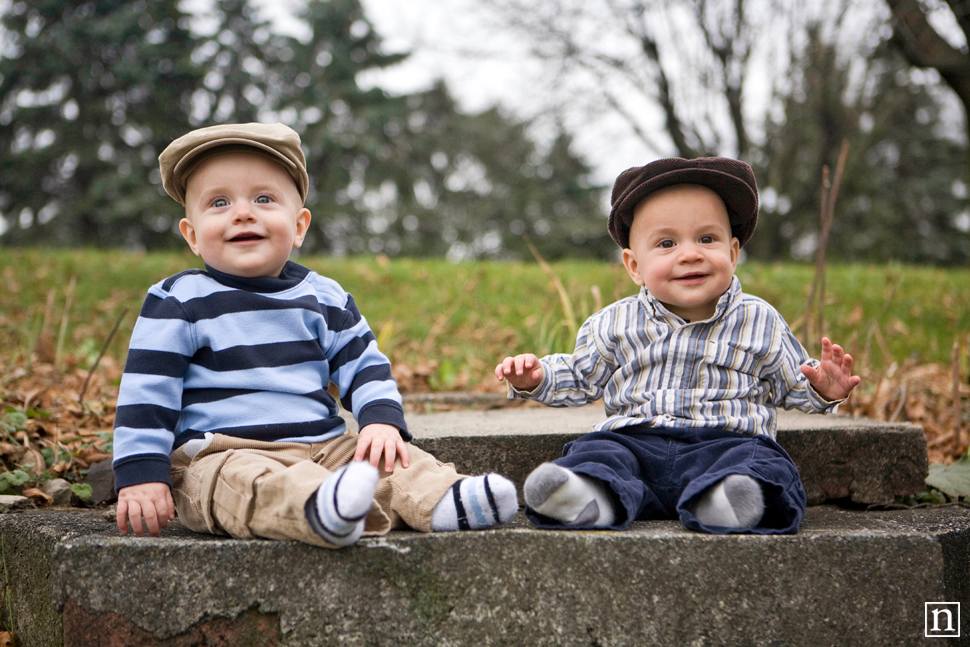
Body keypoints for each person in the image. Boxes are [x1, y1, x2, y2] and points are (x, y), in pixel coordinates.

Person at [113, 122, 517, 547]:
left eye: (264, 198)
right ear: (192, 236)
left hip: (324, 447)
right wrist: (141, 473)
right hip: (223, 452)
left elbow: (364, 365)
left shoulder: (324, 297)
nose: (243, 212)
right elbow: (147, 394)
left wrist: (380, 422)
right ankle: (318, 508)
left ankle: (445, 500)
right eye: (219, 202)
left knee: (389, 458)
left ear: (300, 225)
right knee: (238, 484)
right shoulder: (179, 300)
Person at [495, 157, 860, 535]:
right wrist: (537, 377)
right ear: (634, 265)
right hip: (634, 442)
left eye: (707, 239)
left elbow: (791, 385)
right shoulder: (614, 322)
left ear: (733, 253)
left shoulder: (759, 320)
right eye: (667, 243)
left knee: (763, 462)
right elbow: (580, 375)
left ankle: (727, 502)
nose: (690, 254)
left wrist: (820, 388)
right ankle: (588, 497)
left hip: (726, 444)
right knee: (597, 452)